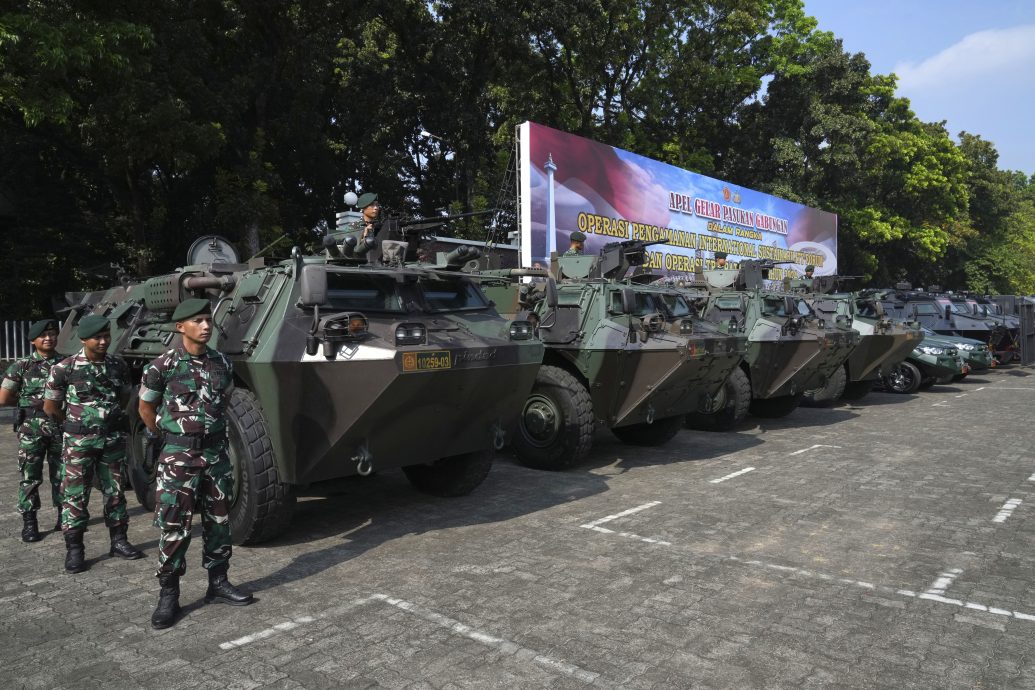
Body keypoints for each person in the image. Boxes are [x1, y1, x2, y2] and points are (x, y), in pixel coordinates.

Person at [138, 298, 253, 630]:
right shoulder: (163, 365)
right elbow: (146, 408)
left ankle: (217, 583)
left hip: (215, 457)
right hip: (179, 459)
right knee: (175, 527)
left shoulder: (220, 362)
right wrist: (169, 434)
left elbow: (226, 398)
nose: (206, 326)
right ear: (180, 327)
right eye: (198, 320)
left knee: (219, 522)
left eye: (207, 320)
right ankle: (169, 595)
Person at [44, 314, 143, 573]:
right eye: (97, 337)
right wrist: (76, 425)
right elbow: (51, 407)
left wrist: (106, 421)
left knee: (116, 492)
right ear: (84, 339)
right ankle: (75, 550)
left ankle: (119, 541)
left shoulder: (117, 365)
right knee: (75, 495)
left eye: (106, 336)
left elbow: (124, 398)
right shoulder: (65, 368)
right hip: (79, 442)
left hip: (111, 440)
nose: (103, 341)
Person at [0, 319, 63, 541]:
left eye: (53, 334)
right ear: (33, 340)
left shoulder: (67, 363)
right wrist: (30, 403)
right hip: (31, 429)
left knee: (62, 475)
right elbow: (4, 397)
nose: (49, 338)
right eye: (44, 335)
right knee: (30, 476)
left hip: (59, 427)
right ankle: (30, 523)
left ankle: (64, 518)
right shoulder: (21, 366)